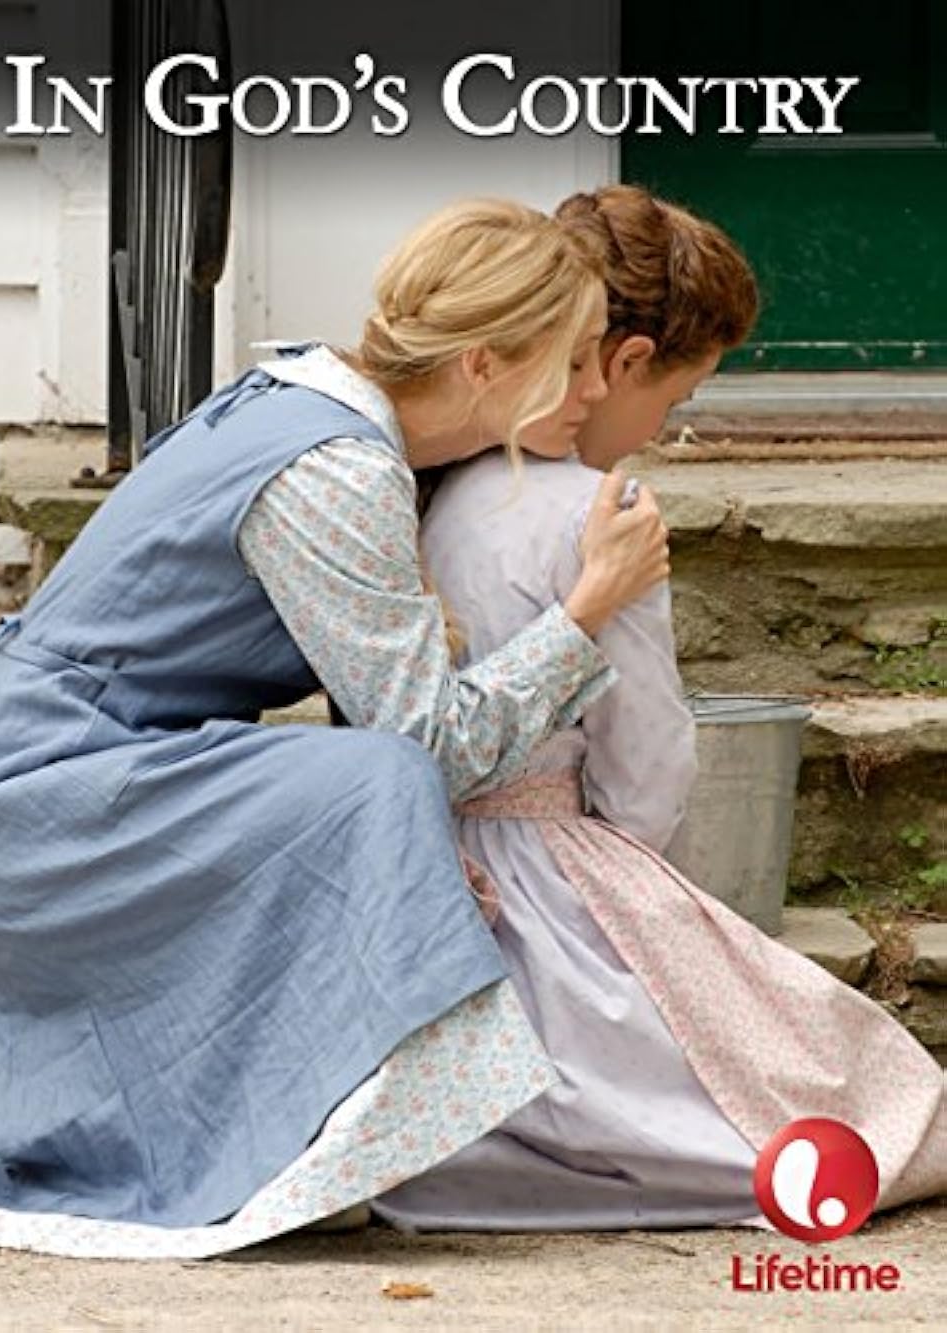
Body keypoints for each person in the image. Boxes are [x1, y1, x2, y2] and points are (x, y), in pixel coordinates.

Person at [0, 199, 671, 1259]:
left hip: (69, 766)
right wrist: (588, 606)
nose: (594, 390)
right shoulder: (333, 470)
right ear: (482, 365)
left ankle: (319, 1131)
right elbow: (432, 743)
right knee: (378, 777)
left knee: (365, 781)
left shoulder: (310, 399)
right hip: (39, 801)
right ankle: (347, 1136)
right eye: (571, 362)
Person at [371, 186, 947, 1233]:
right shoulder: (605, 512)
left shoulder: (430, 488)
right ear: (625, 361)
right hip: (552, 865)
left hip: (429, 864)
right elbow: (644, 762)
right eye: (677, 399)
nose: (663, 427)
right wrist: (644, 893)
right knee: (830, 1084)